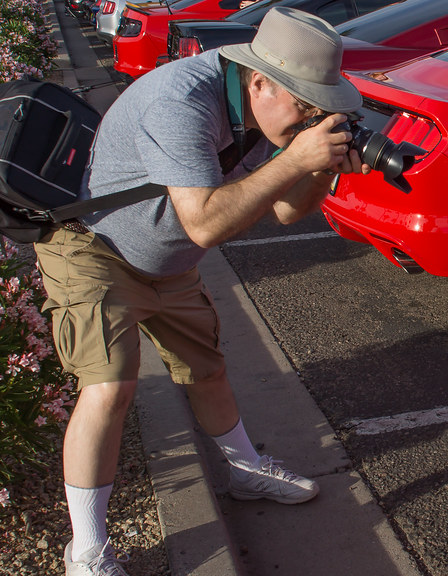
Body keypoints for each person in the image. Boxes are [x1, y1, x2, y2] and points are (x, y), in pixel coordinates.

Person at [33, 7, 370, 576]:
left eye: (322, 111)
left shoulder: (268, 111)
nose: (313, 121)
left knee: (207, 368)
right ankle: (87, 548)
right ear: (258, 80)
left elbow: (288, 211)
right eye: (306, 107)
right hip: (93, 249)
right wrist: (296, 156)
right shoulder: (182, 101)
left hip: (168, 257)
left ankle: (243, 471)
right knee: (110, 387)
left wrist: (320, 167)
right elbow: (208, 224)